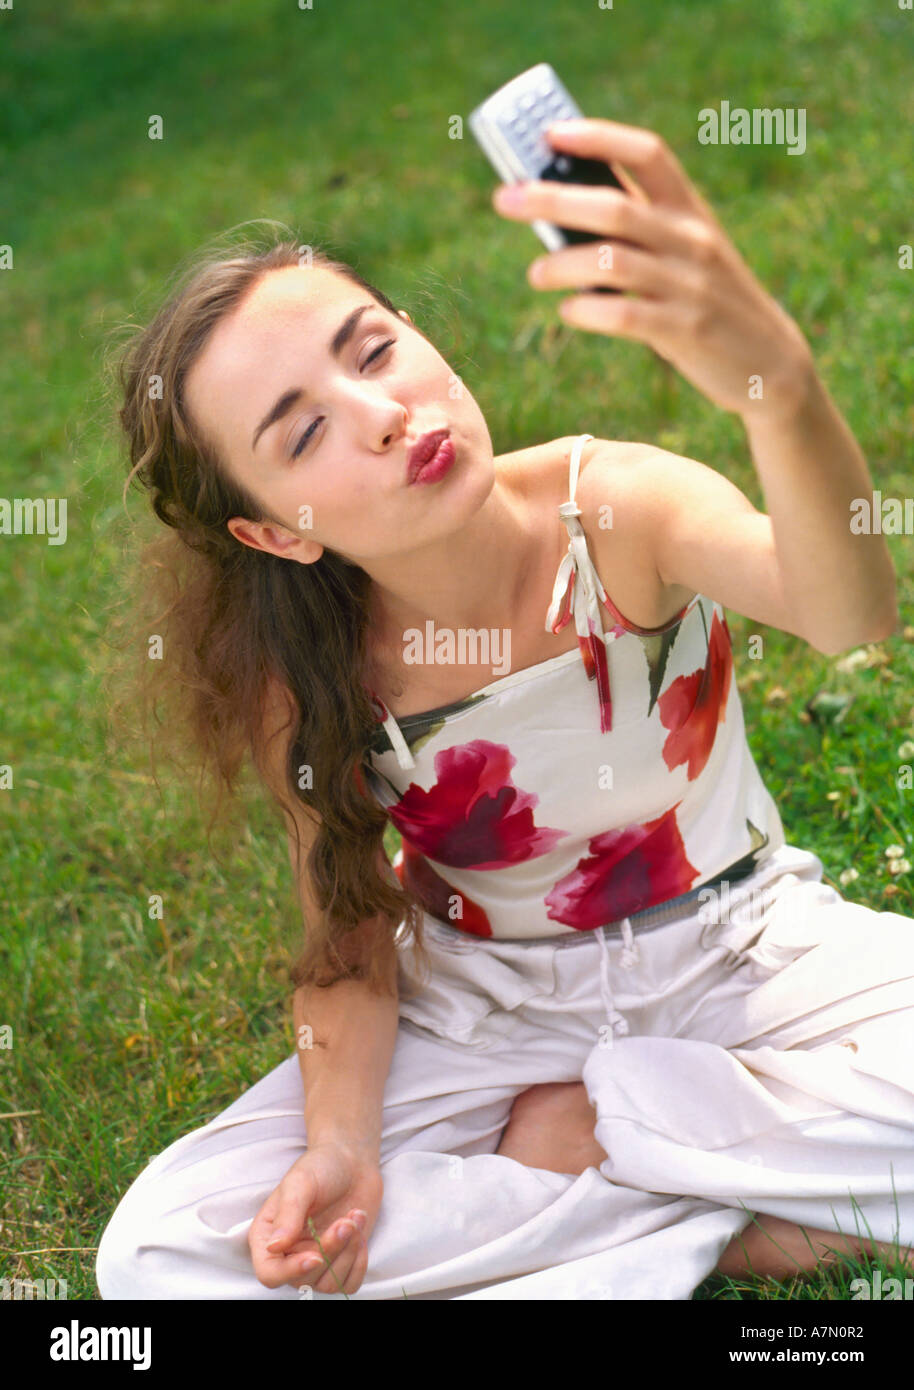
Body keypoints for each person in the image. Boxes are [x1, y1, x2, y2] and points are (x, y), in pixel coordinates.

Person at [96, 119, 914, 1300]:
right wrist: (336, 1151)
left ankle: (588, 1171)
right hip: (490, 1005)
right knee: (158, 1256)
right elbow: (347, 932)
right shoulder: (307, 667)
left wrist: (773, 382)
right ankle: (724, 1189)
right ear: (275, 530)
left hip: (743, 952)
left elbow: (844, 610)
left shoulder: (613, 509)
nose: (379, 410)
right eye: (308, 430)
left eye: (373, 348)